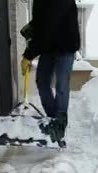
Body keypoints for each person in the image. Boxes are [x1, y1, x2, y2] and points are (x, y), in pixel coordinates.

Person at [21, 0, 81, 143]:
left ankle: (59, 126)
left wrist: (28, 54)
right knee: (42, 82)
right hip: (48, 48)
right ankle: (53, 120)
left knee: (61, 85)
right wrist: (32, 26)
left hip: (66, 46)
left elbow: (50, 22)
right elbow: (42, 20)